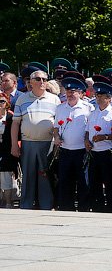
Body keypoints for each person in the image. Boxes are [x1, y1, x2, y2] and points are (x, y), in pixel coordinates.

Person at [11, 67, 60, 210]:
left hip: (47, 143)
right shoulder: (22, 98)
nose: (42, 82)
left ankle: (46, 205)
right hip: (28, 143)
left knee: (45, 175)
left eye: (44, 79)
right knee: (28, 176)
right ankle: (26, 204)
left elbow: (58, 123)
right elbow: (15, 123)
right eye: (38, 79)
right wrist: (14, 144)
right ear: (30, 82)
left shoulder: (55, 99)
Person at [52, 77, 93, 211]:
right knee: (65, 181)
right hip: (65, 150)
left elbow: (90, 128)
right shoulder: (60, 108)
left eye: (73, 91)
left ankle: (84, 208)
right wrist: (56, 137)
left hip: (81, 151)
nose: (69, 94)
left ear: (80, 93)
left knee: (83, 181)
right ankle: (65, 208)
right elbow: (56, 127)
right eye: (68, 91)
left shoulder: (88, 107)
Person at [85, 82, 112, 212]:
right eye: (97, 95)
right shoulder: (92, 113)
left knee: (109, 182)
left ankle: (111, 208)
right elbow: (88, 131)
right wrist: (86, 141)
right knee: (94, 182)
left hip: (108, 151)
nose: (98, 98)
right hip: (94, 151)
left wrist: (104, 137)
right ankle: (97, 206)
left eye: (102, 96)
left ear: (109, 98)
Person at [0, 91, 19, 207]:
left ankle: (8, 202)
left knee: (6, 176)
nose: (0, 104)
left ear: (7, 103)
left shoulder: (11, 117)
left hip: (7, 150)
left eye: (2, 101)